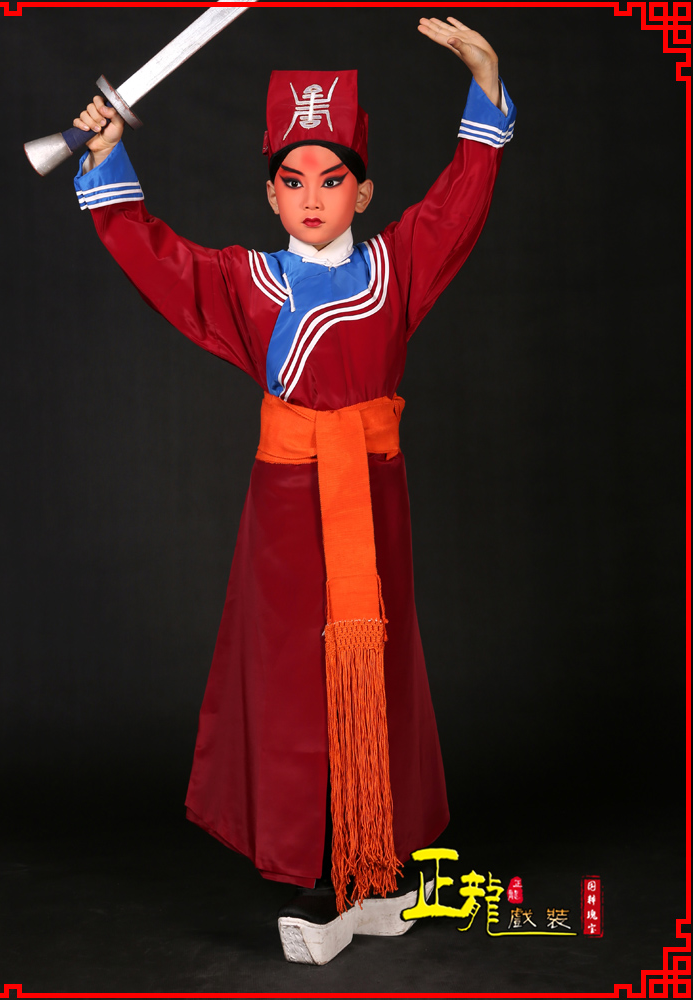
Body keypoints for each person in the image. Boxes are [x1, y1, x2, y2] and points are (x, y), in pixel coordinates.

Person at [72, 15, 516, 964]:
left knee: (380, 667)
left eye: (332, 179)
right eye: (293, 180)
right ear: (270, 194)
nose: (313, 198)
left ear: (364, 190)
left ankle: (378, 865)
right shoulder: (250, 284)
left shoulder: (396, 267)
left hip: (375, 497)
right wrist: (105, 160)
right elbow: (159, 259)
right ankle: (316, 867)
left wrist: (485, 80)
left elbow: (461, 199)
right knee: (295, 683)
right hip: (286, 506)